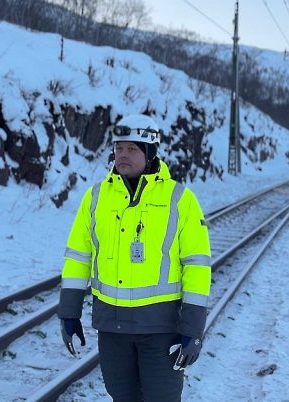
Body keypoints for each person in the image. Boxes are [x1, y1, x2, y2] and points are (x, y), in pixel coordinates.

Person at [57, 113, 212, 401]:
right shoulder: (96, 197)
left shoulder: (180, 199)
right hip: (112, 329)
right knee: (121, 396)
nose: (122, 155)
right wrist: (69, 312)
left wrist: (193, 329)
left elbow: (197, 266)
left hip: (161, 330)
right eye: (118, 148)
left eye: (132, 148)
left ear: (150, 153)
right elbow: (79, 257)